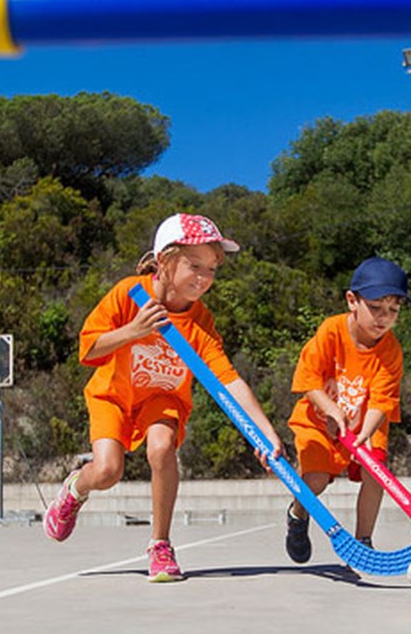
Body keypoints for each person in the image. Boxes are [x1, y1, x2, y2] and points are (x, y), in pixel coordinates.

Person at [44, 213, 284, 583]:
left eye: (212, 269)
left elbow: (228, 380)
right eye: (195, 265)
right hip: (113, 395)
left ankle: (160, 543)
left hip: (162, 398)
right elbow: (88, 349)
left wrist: (265, 431)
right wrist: (133, 330)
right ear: (165, 260)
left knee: (162, 446)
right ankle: (76, 488)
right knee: (107, 471)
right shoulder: (129, 294)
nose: (204, 278)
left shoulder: (200, 319)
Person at [284, 256, 408, 563]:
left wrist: (364, 434)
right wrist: (331, 411)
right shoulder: (331, 331)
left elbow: (382, 400)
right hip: (318, 421)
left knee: (376, 472)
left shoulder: (390, 350)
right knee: (315, 480)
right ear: (353, 300)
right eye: (376, 308)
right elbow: (309, 380)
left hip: (366, 421)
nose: (384, 318)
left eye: (393, 311)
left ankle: (364, 541)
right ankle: (298, 515)